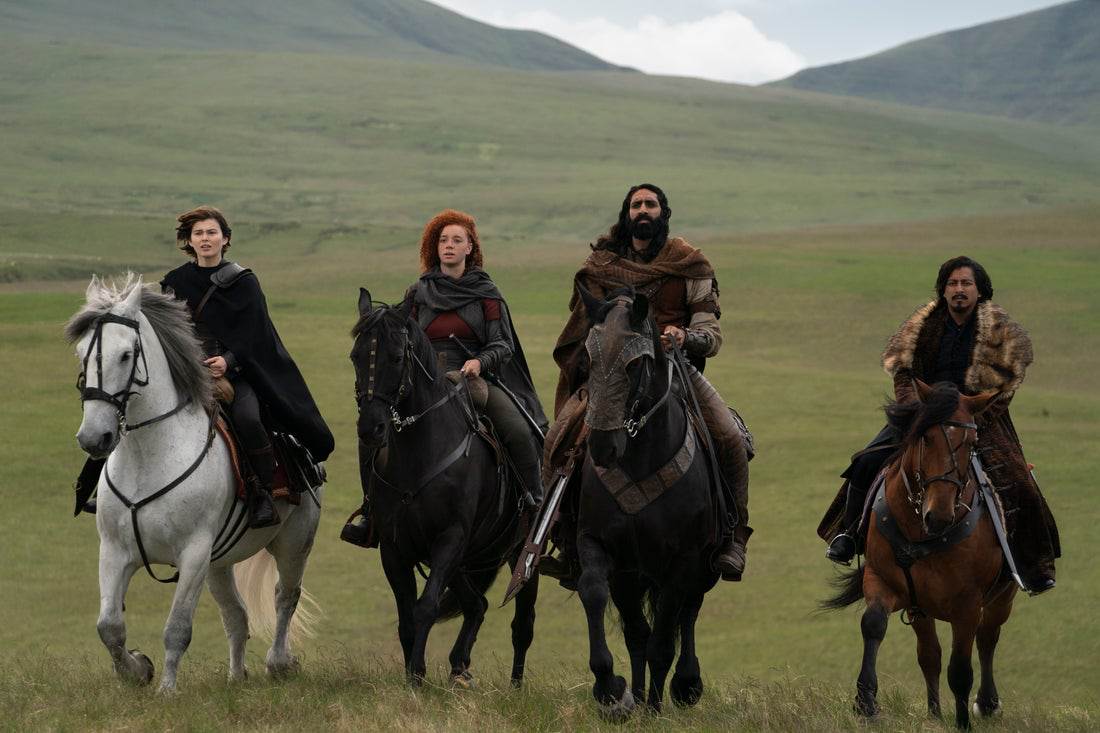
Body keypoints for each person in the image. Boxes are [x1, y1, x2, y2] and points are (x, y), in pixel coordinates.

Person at [547, 183, 752, 581]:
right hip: (613, 374)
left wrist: (684, 336)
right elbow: (583, 327)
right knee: (557, 439)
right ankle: (562, 536)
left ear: (663, 213)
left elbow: (710, 333)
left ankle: (734, 537)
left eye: (651, 204)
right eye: (636, 204)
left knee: (729, 437)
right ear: (627, 214)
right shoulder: (601, 266)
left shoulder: (690, 264)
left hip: (675, 369)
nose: (643, 210)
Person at [819, 256, 1059, 594]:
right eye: (952, 283)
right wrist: (915, 410)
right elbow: (904, 375)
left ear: (979, 290)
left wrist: (968, 417)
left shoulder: (1002, 334)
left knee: (1018, 481)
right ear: (943, 290)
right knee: (866, 462)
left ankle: (1032, 565)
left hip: (978, 419)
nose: (959, 289)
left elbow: (1001, 391)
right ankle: (849, 536)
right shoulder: (921, 327)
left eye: (966, 283)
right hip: (924, 417)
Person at [341, 209, 548, 547]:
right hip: (423, 378)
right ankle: (370, 512)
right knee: (372, 432)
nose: (449, 245)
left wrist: (479, 361)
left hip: (473, 377)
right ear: (434, 247)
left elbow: (503, 343)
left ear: (470, 248)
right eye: (443, 240)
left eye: (456, 240)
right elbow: (400, 335)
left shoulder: (486, 293)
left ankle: (533, 504)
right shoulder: (418, 292)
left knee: (518, 428)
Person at [161, 205, 334, 528]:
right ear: (189, 240)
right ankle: (104, 484)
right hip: (185, 371)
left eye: (212, 232)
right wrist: (188, 364)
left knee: (249, 418)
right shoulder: (175, 281)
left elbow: (256, 334)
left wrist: (227, 362)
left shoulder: (243, 282)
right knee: (134, 404)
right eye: (198, 233)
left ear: (225, 239)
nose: (205, 238)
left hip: (234, 372)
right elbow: (169, 333)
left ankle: (260, 492)